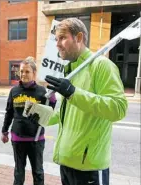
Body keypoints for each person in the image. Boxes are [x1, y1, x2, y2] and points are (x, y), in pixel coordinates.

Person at [43, 18, 128, 185]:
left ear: (79, 37)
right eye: (56, 39)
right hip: (67, 163)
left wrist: (73, 93)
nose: (57, 44)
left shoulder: (101, 65)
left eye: (62, 38)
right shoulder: (71, 70)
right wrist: (40, 117)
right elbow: (67, 114)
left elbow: (118, 109)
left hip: (90, 169)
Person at [1, 56, 56, 185]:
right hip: (17, 139)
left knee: (38, 172)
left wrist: (52, 99)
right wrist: (4, 132)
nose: (23, 74)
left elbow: (48, 111)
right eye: (21, 71)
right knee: (19, 173)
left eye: (27, 71)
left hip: (36, 140)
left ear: (34, 73)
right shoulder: (14, 91)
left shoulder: (42, 92)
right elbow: (9, 113)